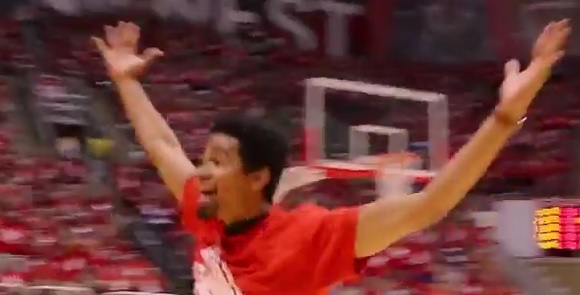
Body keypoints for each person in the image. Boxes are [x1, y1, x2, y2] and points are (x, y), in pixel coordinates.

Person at [92, 19, 570, 295]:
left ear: (258, 178)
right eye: (205, 159)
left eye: (217, 161)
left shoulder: (310, 236)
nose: (202, 171)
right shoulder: (207, 210)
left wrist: (505, 117)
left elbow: (432, 204)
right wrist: (127, 82)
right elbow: (163, 144)